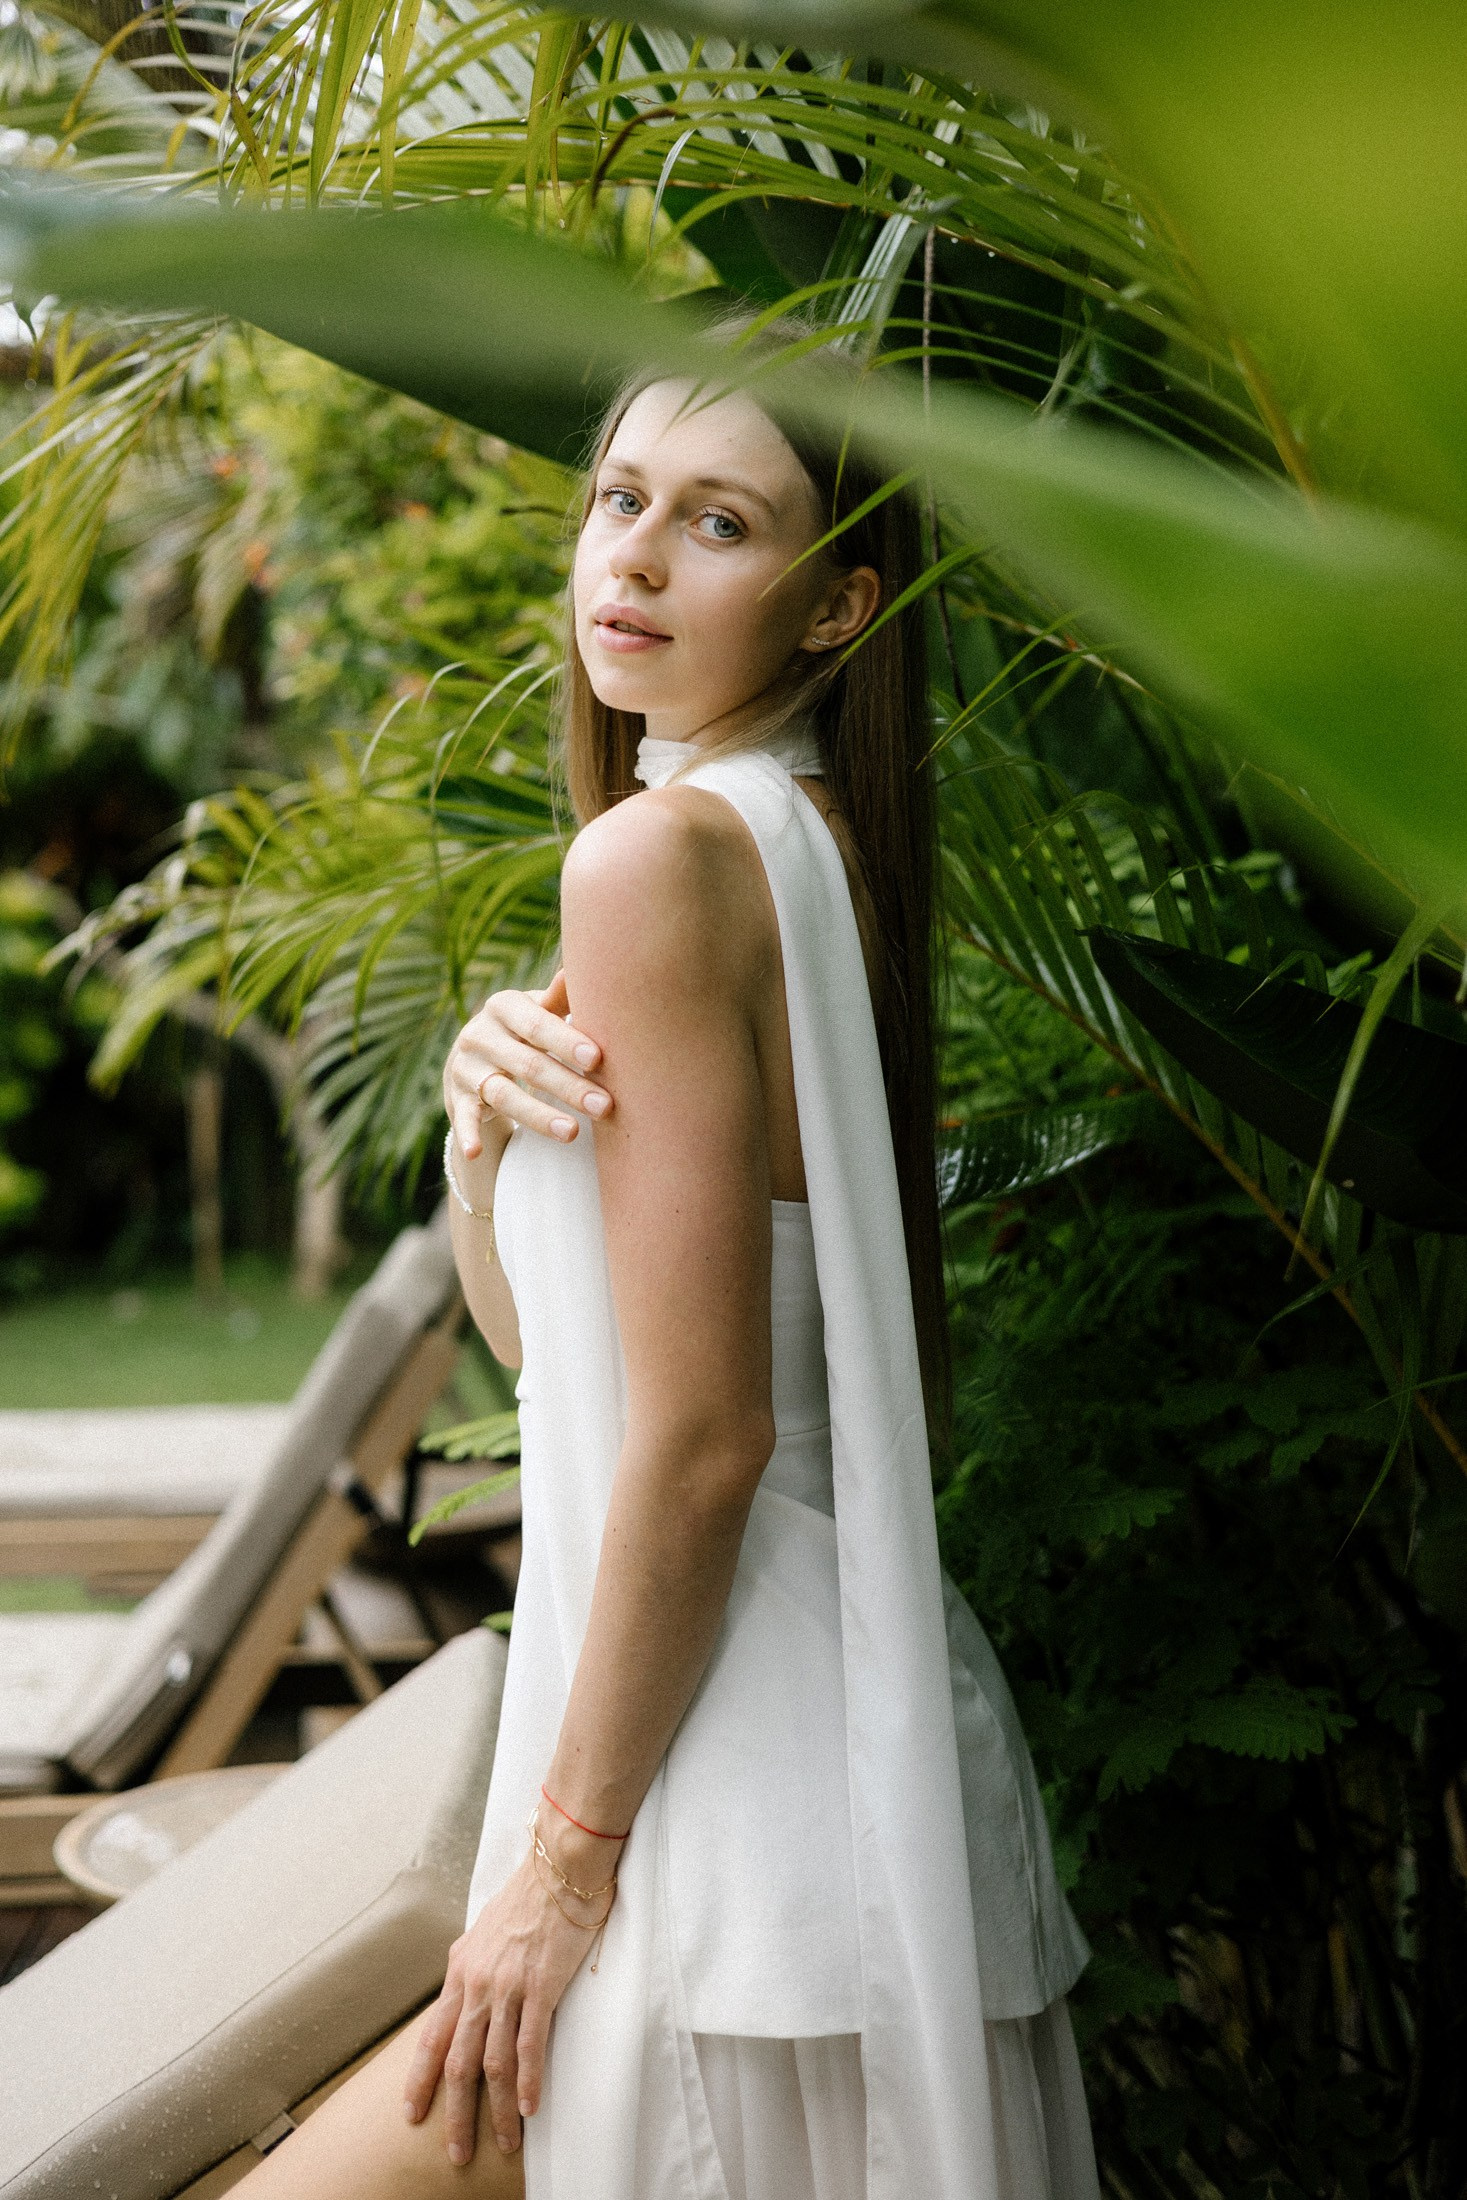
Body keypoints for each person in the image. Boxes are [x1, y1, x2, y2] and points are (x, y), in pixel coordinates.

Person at [237, 326, 1100, 2200]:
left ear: (834, 606)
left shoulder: (655, 863)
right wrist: (481, 1139)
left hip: (719, 1831)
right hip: (833, 1784)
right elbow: (567, 1367)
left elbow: (706, 1443)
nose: (630, 554)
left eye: (718, 522)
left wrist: (562, 1867)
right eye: (620, 498)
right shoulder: (803, 842)